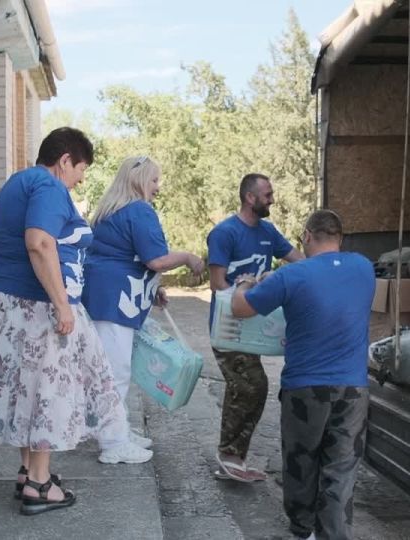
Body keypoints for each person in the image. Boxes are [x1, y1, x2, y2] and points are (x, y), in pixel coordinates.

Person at [0, 127, 152, 518]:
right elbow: (40, 241)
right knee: (45, 390)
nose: (81, 178)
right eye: (80, 169)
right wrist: (62, 305)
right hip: (36, 307)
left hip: (10, 301)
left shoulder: (17, 183)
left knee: (24, 387)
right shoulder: (48, 186)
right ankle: (38, 483)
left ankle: (29, 472)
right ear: (65, 160)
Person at [231, 210, 374, 540]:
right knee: (341, 468)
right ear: (339, 237)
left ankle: (303, 530)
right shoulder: (364, 268)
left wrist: (246, 283)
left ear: (307, 236)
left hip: (304, 388)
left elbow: (241, 308)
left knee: (301, 462)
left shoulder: (290, 276)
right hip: (353, 387)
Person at [82, 155, 204, 451]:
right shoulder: (139, 211)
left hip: (105, 298)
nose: (157, 187)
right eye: (154, 180)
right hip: (116, 302)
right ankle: (113, 442)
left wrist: (152, 289)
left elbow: (127, 256)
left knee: (109, 367)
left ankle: (115, 429)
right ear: (139, 181)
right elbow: (155, 259)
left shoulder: (111, 211)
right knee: (116, 370)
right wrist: (188, 257)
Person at [206, 173, 304, 482]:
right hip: (229, 327)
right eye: (267, 194)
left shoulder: (268, 232)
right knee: (250, 386)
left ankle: (234, 456)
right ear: (250, 197)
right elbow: (217, 283)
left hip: (255, 328)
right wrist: (243, 293)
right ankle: (229, 455)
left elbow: (297, 259)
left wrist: (321, 270)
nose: (272, 199)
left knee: (251, 389)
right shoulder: (224, 233)